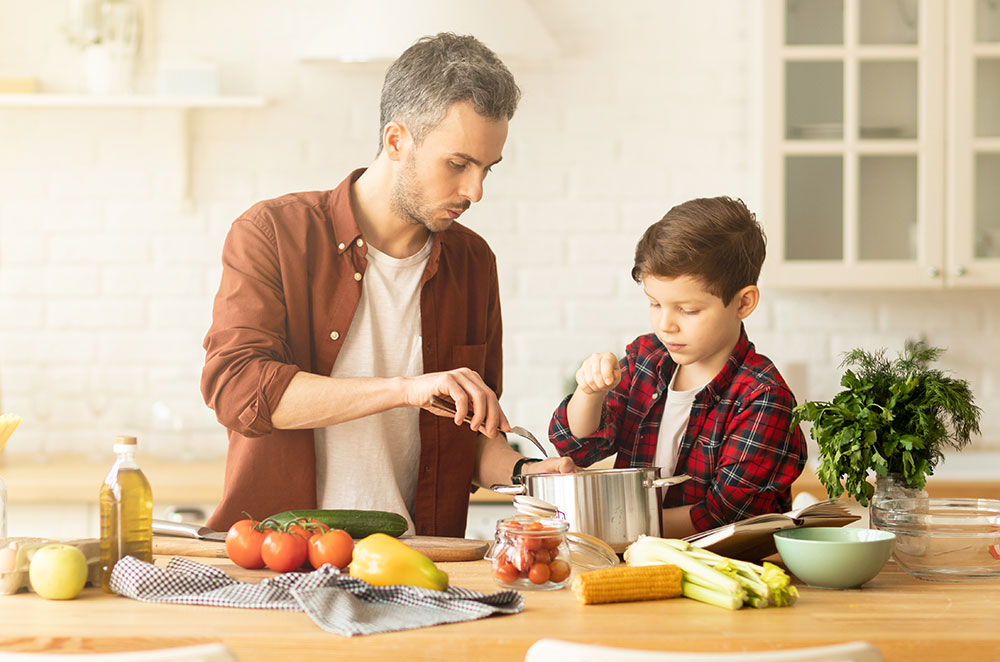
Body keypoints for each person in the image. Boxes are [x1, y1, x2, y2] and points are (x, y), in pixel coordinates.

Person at [201, 33, 574, 537]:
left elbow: (469, 434)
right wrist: (404, 391)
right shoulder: (273, 234)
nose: (475, 191)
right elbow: (239, 391)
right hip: (283, 562)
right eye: (458, 163)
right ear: (396, 141)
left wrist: (524, 473)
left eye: (487, 169)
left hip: (418, 561)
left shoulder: (473, 262)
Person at [549, 196, 806, 538]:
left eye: (688, 310)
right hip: (635, 559)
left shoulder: (762, 397)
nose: (665, 324)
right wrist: (590, 393)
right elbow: (580, 448)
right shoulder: (646, 359)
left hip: (718, 571)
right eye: (655, 304)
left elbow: (724, 517)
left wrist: (607, 525)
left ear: (743, 302)